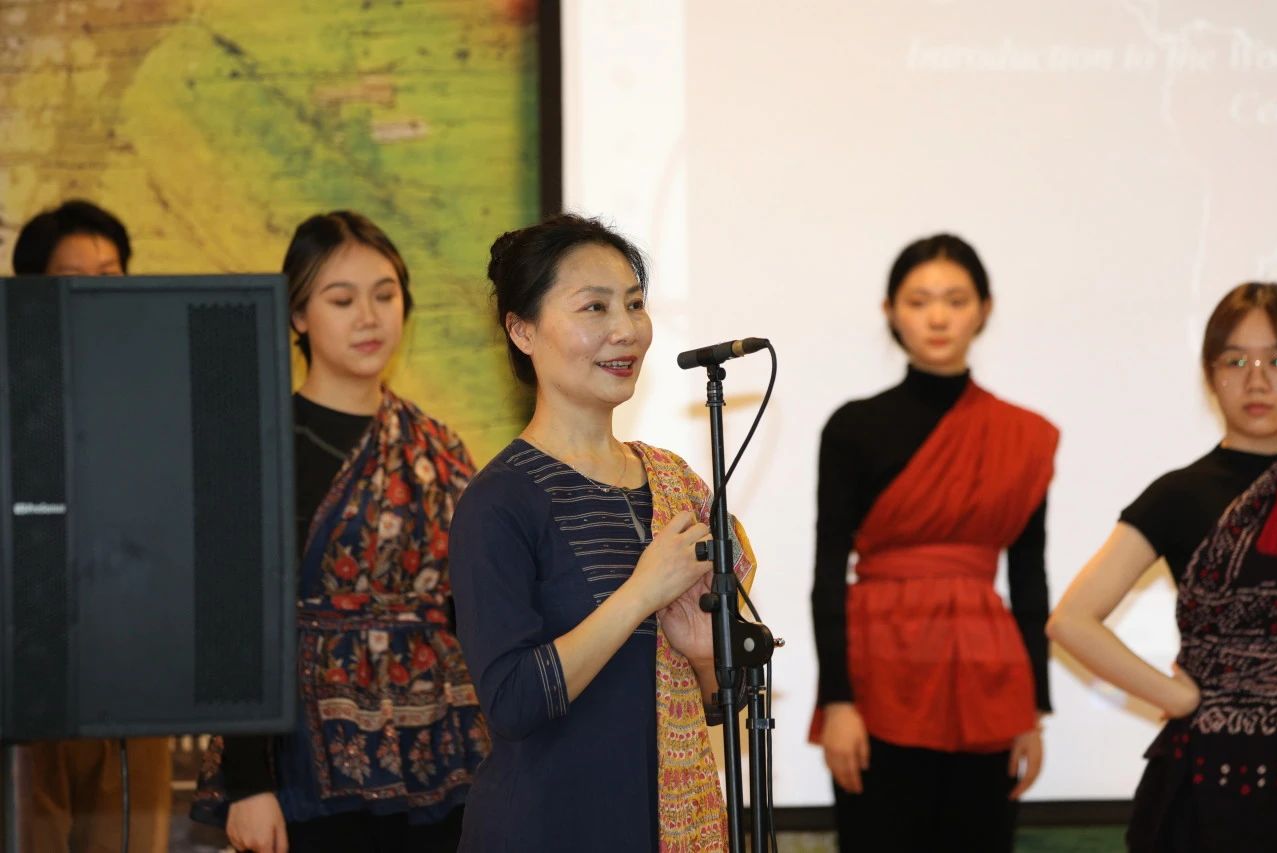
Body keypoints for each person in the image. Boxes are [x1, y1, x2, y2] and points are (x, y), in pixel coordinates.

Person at [447, 213, 755, 851]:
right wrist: (641, 594)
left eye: (635, 304)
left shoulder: (676, 485)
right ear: (523, 331)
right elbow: (512, 702)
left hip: (665, 826)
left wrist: (705, 658)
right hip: (546, 829)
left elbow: (720, 709)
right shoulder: (499, 501)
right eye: (594, 307)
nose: (626, 329)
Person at [191, 211, 488, 852]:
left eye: (385, 295)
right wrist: (248, 784)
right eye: (342, 299)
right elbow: (233, 617)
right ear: (298, 315)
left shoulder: (437, 447)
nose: (369, 317)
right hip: (305, 763)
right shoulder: (261, 445)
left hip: (440, 754)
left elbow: (472, 604)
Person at [809, 234, 1058, 852]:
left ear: (984, 310)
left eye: (956, 300)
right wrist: (837, 701)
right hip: (877, 672)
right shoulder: (852, 427)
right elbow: (827, 573)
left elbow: (1029, 579)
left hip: (987, 674)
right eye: (919, 301)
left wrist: (1032, 711)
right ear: (891, 311)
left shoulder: (1023, 436)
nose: (938, 317)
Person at [1048, 282, 1277, 852]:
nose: (1257, 380)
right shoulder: (1179, 494)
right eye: (1236, 361)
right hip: (1210, 786)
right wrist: (1176, 698)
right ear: (1210, 375)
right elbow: (1071, 620)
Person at [11, 199, 172, 853]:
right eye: (74, 277)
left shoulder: (160, 389)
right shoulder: (12, 389)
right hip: (26, 677)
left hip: (134, 670)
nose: (97, 293)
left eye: (111, 275)